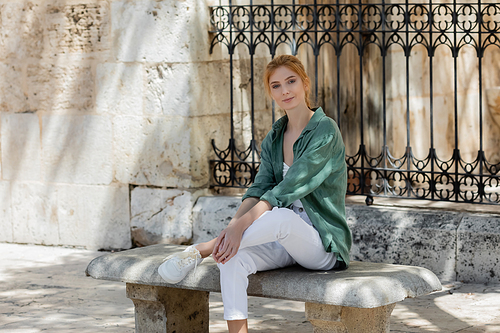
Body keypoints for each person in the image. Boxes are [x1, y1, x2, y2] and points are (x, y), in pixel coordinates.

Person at [158, 54, 351, 333]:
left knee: (281, 216)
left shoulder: (325, 130)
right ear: (270, 92)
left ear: (305, 83)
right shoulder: (275, 136)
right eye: (276, 85)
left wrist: (240, 226)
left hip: (320, 243)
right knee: (231, 258)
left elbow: (289, 188)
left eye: (291, 81)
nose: (285, 90)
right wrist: (234, 227)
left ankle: (202, 249)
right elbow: (260, 187)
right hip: (278, 240)